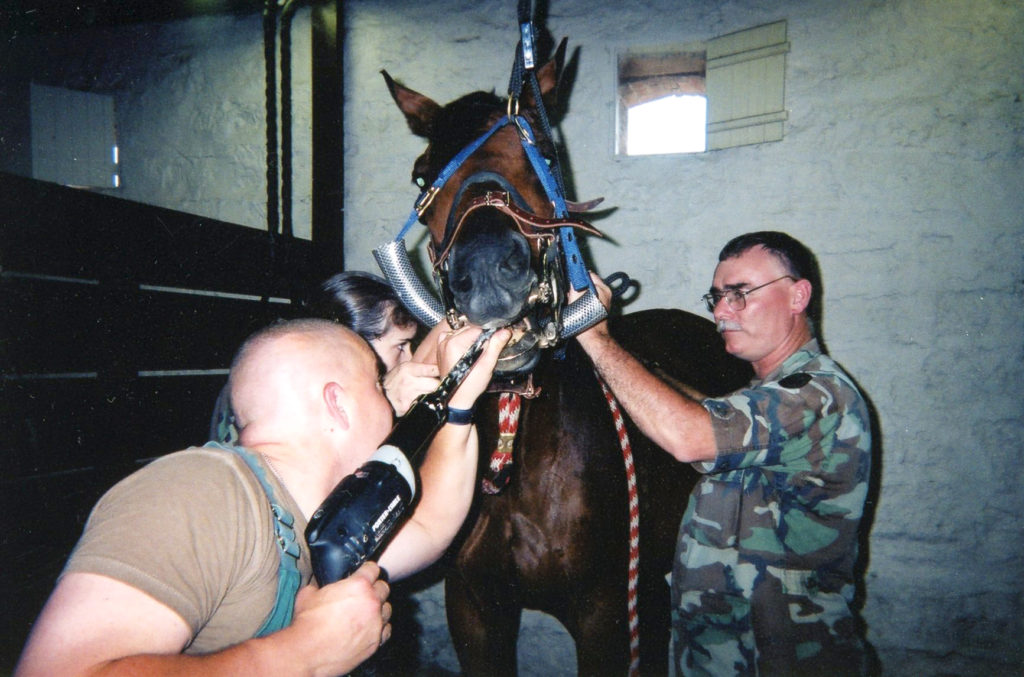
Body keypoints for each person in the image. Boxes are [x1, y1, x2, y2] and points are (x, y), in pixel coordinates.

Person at [15, 318, 509, 677]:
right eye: (377, 387)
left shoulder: (317, 511)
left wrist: (460, 408)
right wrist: (305, 653)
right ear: (336, 404)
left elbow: (428, 528)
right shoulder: (201, 491)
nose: (389, 403)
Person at [571, 232, 872, 676]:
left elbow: (691, 436)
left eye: (739, 295)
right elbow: (710, 424)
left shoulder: (816, 394)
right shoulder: (763, 396)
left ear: (798, 295)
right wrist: (644, 369)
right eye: (716, 297)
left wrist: (594, 336)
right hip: (726, 653)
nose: (719, 311)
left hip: (785, 658)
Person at [211, 271, 441, 444]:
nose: (409, 358)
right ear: (355, 345)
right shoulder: (284, 390)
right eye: (400, 346)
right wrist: (383, 406)